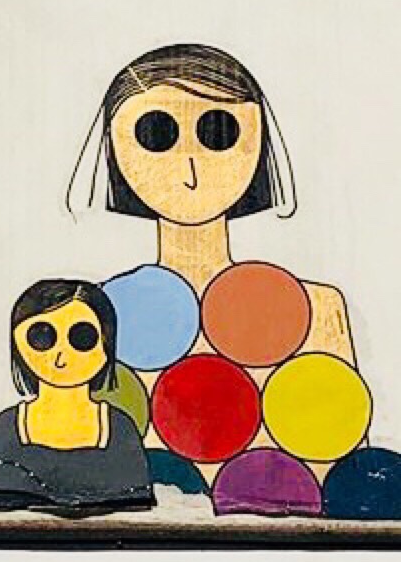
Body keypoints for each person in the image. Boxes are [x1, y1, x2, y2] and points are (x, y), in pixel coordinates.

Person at [67, 42, 352, 356]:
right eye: (157, 134)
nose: (189, 161)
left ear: (258, 143)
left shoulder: (315, 310)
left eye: (219, 132)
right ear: (115, 150)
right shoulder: (83, 325)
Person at [0, 279, 154, 512]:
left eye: (82, 338)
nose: (61, 355)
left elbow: (136, 512)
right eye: (42, 337)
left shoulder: (119, 428)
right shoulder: (6, 428)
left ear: (106, 344)